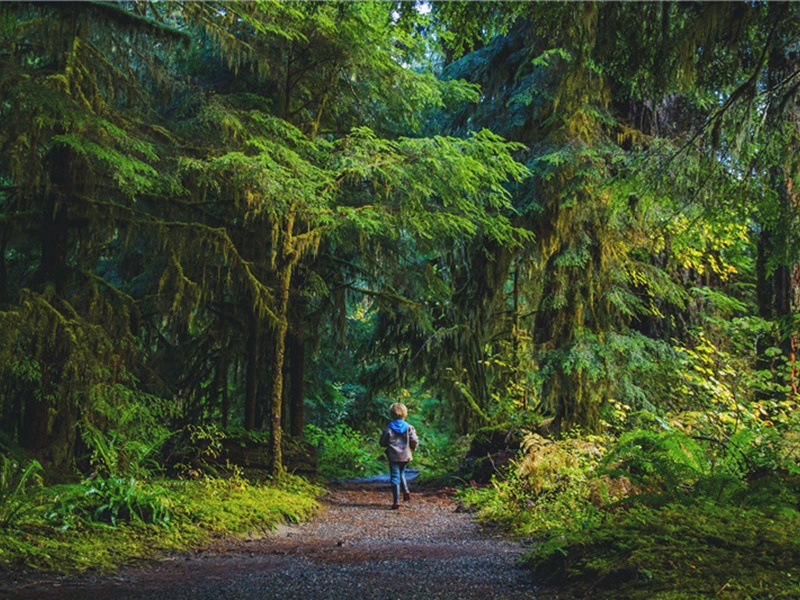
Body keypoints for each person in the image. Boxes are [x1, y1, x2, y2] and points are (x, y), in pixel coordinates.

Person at [379, 402, 419, 510]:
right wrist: (413, 448)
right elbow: (414, 440)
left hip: (393, 456)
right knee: (402, 472)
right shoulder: (409, 427)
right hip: (405, 456)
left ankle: (396, 501)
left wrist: (387, 444)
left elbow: (382, 442)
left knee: (395, 476)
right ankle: (405, 490)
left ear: (392, 414)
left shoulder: (389, 427)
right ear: (405, 414)